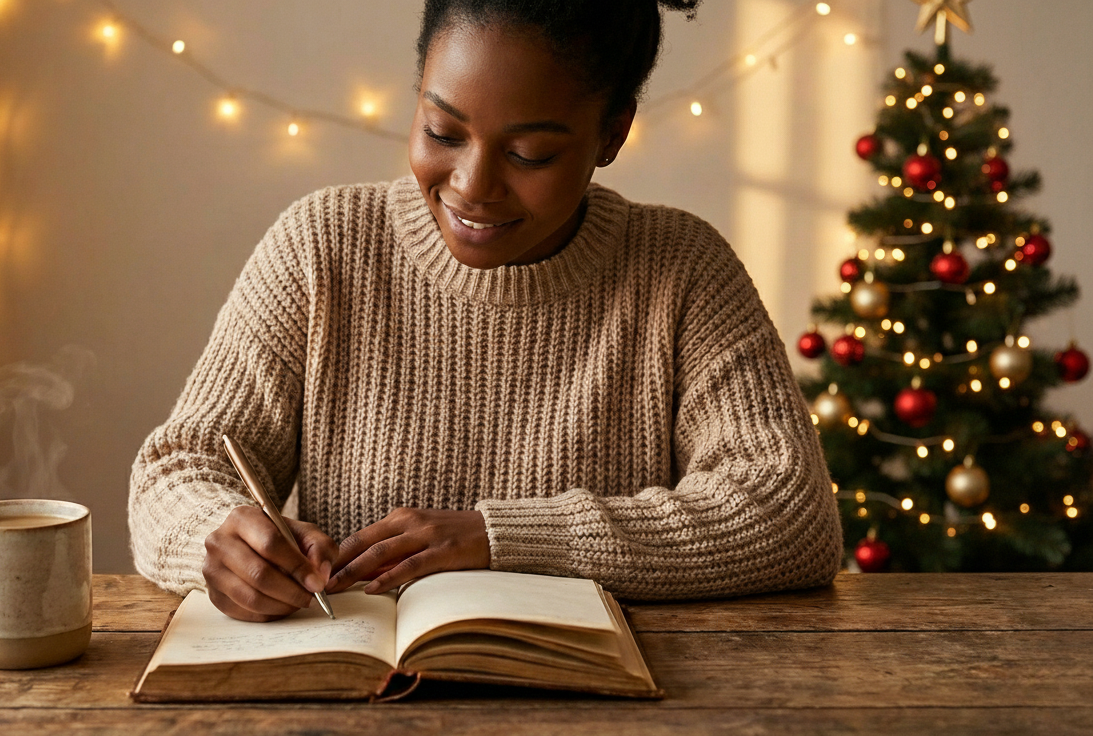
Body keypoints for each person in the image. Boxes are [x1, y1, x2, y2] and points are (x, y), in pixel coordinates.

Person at [129, 0, 843, 622]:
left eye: (529, 153)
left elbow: (789, 514)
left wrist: (501, 539)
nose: (472, 186)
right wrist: (218, 538)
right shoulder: (323, 248)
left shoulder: (681, 270)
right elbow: (181, 465)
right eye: (442, 132)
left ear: (611, 133)